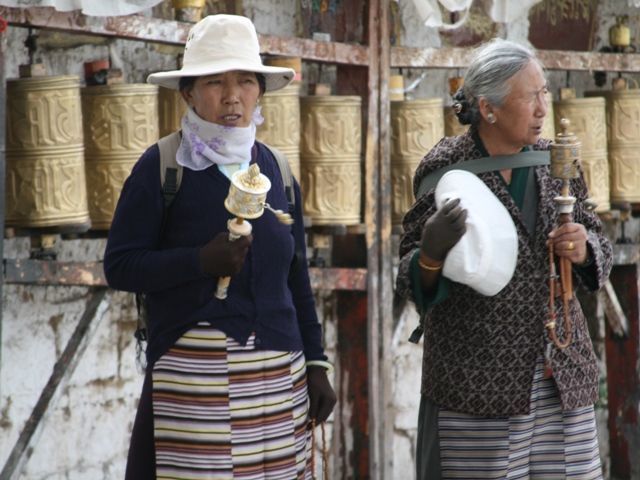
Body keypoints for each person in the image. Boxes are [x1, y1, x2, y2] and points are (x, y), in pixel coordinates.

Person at [104, 14, 336, 480]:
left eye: (245, 81)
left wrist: (315, 361)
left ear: (260, 92)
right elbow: (121, 266)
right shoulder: (163, 167)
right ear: (188, 92)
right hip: (196, 379)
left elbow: (297, 276)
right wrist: (198, 262)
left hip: (279, 376)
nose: (232, 96)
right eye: (215, 82)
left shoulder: (277, 169)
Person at [396, 38, 612, 480]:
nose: (541, 108)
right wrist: (431, 252)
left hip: (560, 374)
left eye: (544, 94)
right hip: (477, 384)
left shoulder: (557, 161)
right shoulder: (447, 169)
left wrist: (585, 247)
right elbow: (408, 278)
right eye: (529, 97)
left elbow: (599, 241)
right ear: (488, 107)